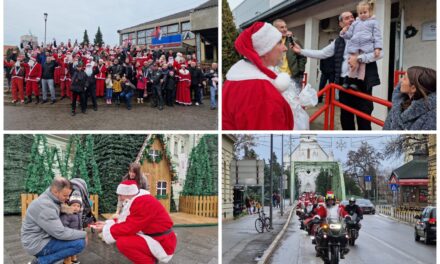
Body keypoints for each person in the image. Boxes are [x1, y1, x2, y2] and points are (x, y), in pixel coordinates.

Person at [292, 11, 382, 130]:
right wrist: (301, 51)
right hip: (344, 84)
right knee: (346, 119)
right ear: (340, 24)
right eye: (346, 18)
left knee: (364, 121)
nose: (350, 19)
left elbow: (379, 54)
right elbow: (322, 53)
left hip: (363, 84)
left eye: (352, 17)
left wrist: (359, 58)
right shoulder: (339, 41)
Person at [222, 22, 294, 130]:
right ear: (265, 51)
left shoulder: (237, 77)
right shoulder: (260, 91)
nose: (285, 48)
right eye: (279, 43)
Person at [93, 180, 177, 264]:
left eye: (120, 195)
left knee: (123, 243)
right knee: (124, 240)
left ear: (127, 193)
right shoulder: (138, 199)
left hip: (162, 242)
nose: (119, 198)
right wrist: (107, 224)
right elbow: (126, 220)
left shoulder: (143, 202)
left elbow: (129, 227)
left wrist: (106, 229)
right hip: (158, 238)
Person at [21, 177, 87, 264]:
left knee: (74, 239)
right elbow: (60, 233)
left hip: (39, 237)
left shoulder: (50, 197)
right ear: (55, 191)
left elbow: (58, 208)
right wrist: (84, 234)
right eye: (65, 195)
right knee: (79, 243)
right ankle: (40, 261)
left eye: (68, 195)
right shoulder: (45, 206)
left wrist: (69, 209)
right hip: (37, 244)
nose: (68, 198)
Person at [340, 0, 382, 90]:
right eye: (360, 13)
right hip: (355, 47)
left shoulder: (374, 22)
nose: (362, 14)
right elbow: (349, 35)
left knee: (362, 67)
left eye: (364, 12)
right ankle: (348, 81)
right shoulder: (355, 23)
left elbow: (377, 36)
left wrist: (377, 48)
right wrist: (343, 33)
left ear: (370, 12)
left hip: (366, 47)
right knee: (353, 65)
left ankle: (358, 82)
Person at [273, 19, 307, 94]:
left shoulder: (293, 40)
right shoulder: (272, 42)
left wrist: (300, 71)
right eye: (282, 27)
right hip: (277, 77)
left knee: (295, 100)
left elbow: (302, 56)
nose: (285, 29)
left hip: (293, 76)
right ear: (275, 29)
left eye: (285, 27)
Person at [313, 191, 350, 259]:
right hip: (327, 224)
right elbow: (320, 213)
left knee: (345, 234)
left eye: (331, 200)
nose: (330, 201)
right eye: (329, 200)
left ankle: (343, 248)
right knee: (320, 233)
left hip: (337, 224)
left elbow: (343, 212)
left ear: (334, 200)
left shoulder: (338, 207)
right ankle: (319, 248)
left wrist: (347, 216)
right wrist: (317, 217)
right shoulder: (324, 207)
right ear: (326, 200)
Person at [60, 191, 84, 264]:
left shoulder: (79, 214)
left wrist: (81, 230)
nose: (76, 208)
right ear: (69, 205)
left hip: (76, 235)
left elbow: (80, 224)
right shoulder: (67, 214)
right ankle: (67, 261)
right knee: (68, 249)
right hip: (69, 236)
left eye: (78, 206)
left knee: (75, 248)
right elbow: (64, 225)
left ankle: (73, 258)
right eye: (74, 205)